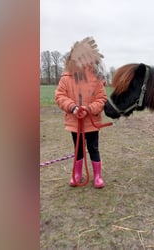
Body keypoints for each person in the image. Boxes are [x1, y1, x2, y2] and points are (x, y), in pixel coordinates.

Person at [55, 38, 107, 188]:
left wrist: (89, 109)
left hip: (91, 122)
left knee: (93, 148)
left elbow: (101, 98)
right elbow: (59, 96)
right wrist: (73, 107)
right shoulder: (66, 78)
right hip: (74, 122)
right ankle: (77, 174)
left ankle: (97, 175)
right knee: (78, 148)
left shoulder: (96, 79)